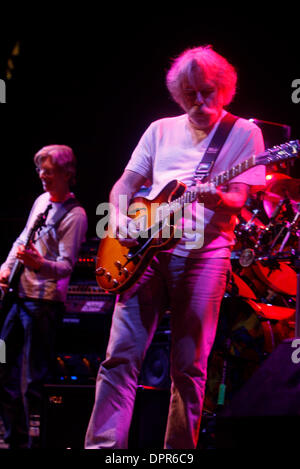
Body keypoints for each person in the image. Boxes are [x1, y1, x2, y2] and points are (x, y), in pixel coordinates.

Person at [85, 45, 266, 449]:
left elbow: (239, 197)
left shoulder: (245, 133)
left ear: (224, 89)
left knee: (188, 367)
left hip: (204, 254)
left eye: (206, 92)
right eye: (189, 96)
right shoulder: (159, 129)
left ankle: (177, 453)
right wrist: (117, 220)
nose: (199, 103)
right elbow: (126, 183)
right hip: (144, 253)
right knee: (119, 358)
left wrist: (214, 197)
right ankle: (103, 448)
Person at [0, 144, 88, 448]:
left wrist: (40, 265)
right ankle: (12, 437)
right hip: (18, 296)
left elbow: (66, 267)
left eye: (48, 171)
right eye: (40, 170)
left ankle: (34, 441)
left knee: (30, 378)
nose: (42, 176)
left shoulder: (75, 215)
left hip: (44, 303)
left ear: (67, 173)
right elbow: (23, 238)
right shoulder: (41, 201)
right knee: (4, 367)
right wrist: (7, 266)